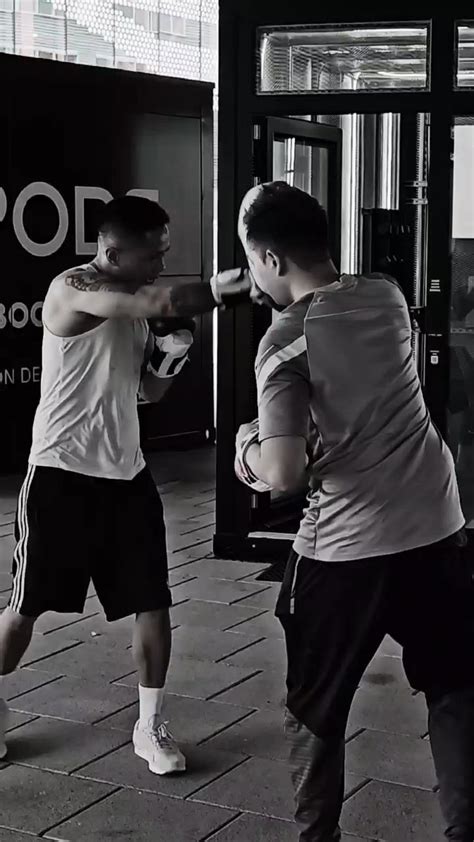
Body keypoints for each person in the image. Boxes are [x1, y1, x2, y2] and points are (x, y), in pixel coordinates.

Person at [235, 181, 474, 842]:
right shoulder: (385, 295)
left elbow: (283, 475)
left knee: (315, 708)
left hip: (346, 548)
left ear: (272, 259)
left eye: (253, 261)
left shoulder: (284, 341)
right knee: (455, 686)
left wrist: (248, 448)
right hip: (437, 524)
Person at [0, 194, 251, 774]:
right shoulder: (73, 288)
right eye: (153, 255)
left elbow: (147, 394)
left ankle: (149, 724)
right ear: (112, 253)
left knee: (152, 601)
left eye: (166, 253)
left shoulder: (136, 305)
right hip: (60, 474)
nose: (162, 265)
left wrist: (170, 358)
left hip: (126, 475)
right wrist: (234, 286)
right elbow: (163, 299)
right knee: (24, 608)